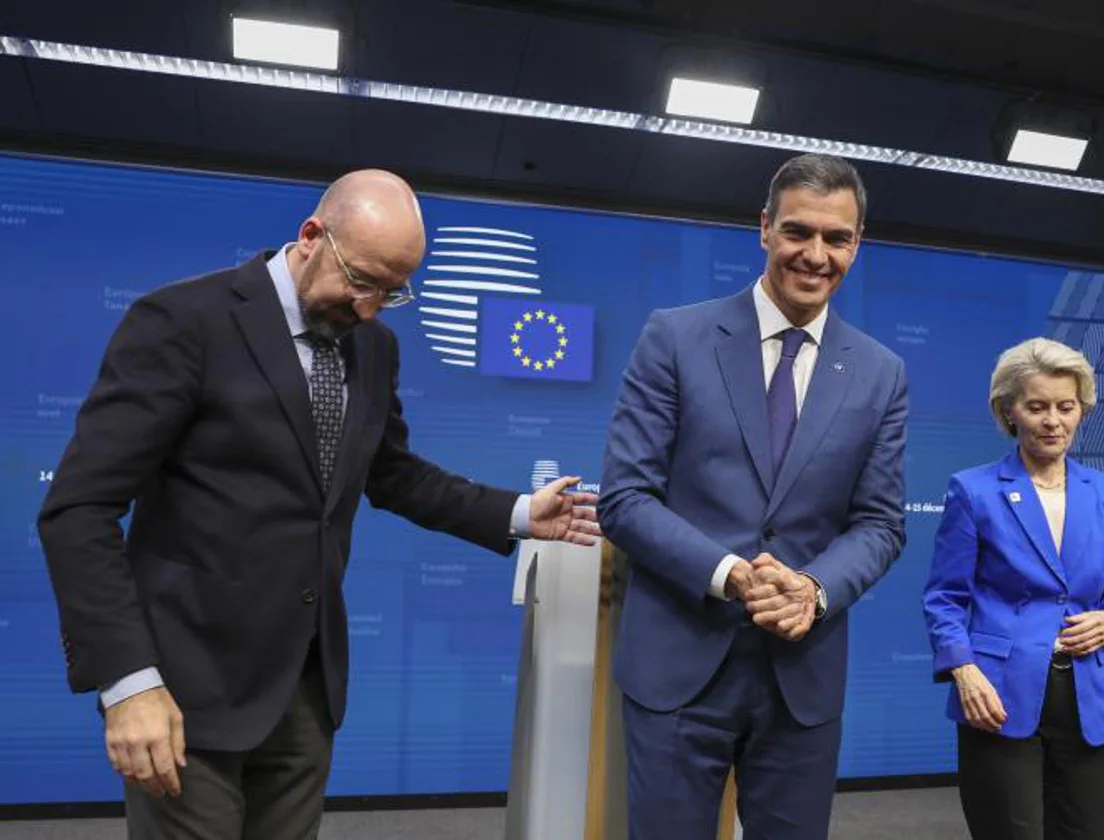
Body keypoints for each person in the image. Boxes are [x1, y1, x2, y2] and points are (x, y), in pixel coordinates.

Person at [37, 169, 599, 839]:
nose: (368, 308)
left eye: (392, 294)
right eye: (362, 282)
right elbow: (78, 510)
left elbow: (390, 473)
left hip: (304, 689)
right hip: (184, 687)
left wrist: (515, 513)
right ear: (311, 237)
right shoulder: (185, 322)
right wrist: (128, 682)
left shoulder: (373, 346)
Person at [598, 153, 908, 840]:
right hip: (678, 667)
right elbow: (625, 498)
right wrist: (734, 576)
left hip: (802, 675)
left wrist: (813, 589)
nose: (815, 255)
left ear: (859, 245)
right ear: (764, 228)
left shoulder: (881, 374)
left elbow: (880, 523)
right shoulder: (674, 338)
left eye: (838, 238)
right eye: (798, 231)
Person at [922, 337, 1104, 840]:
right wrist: (964, 669)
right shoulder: (973, 490)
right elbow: (945, 598)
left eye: (1066, 407)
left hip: (1089, 695)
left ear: (1081, 410)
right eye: (1036, 406)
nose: (1053, 421)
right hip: (998, 694)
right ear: (1009, 411)